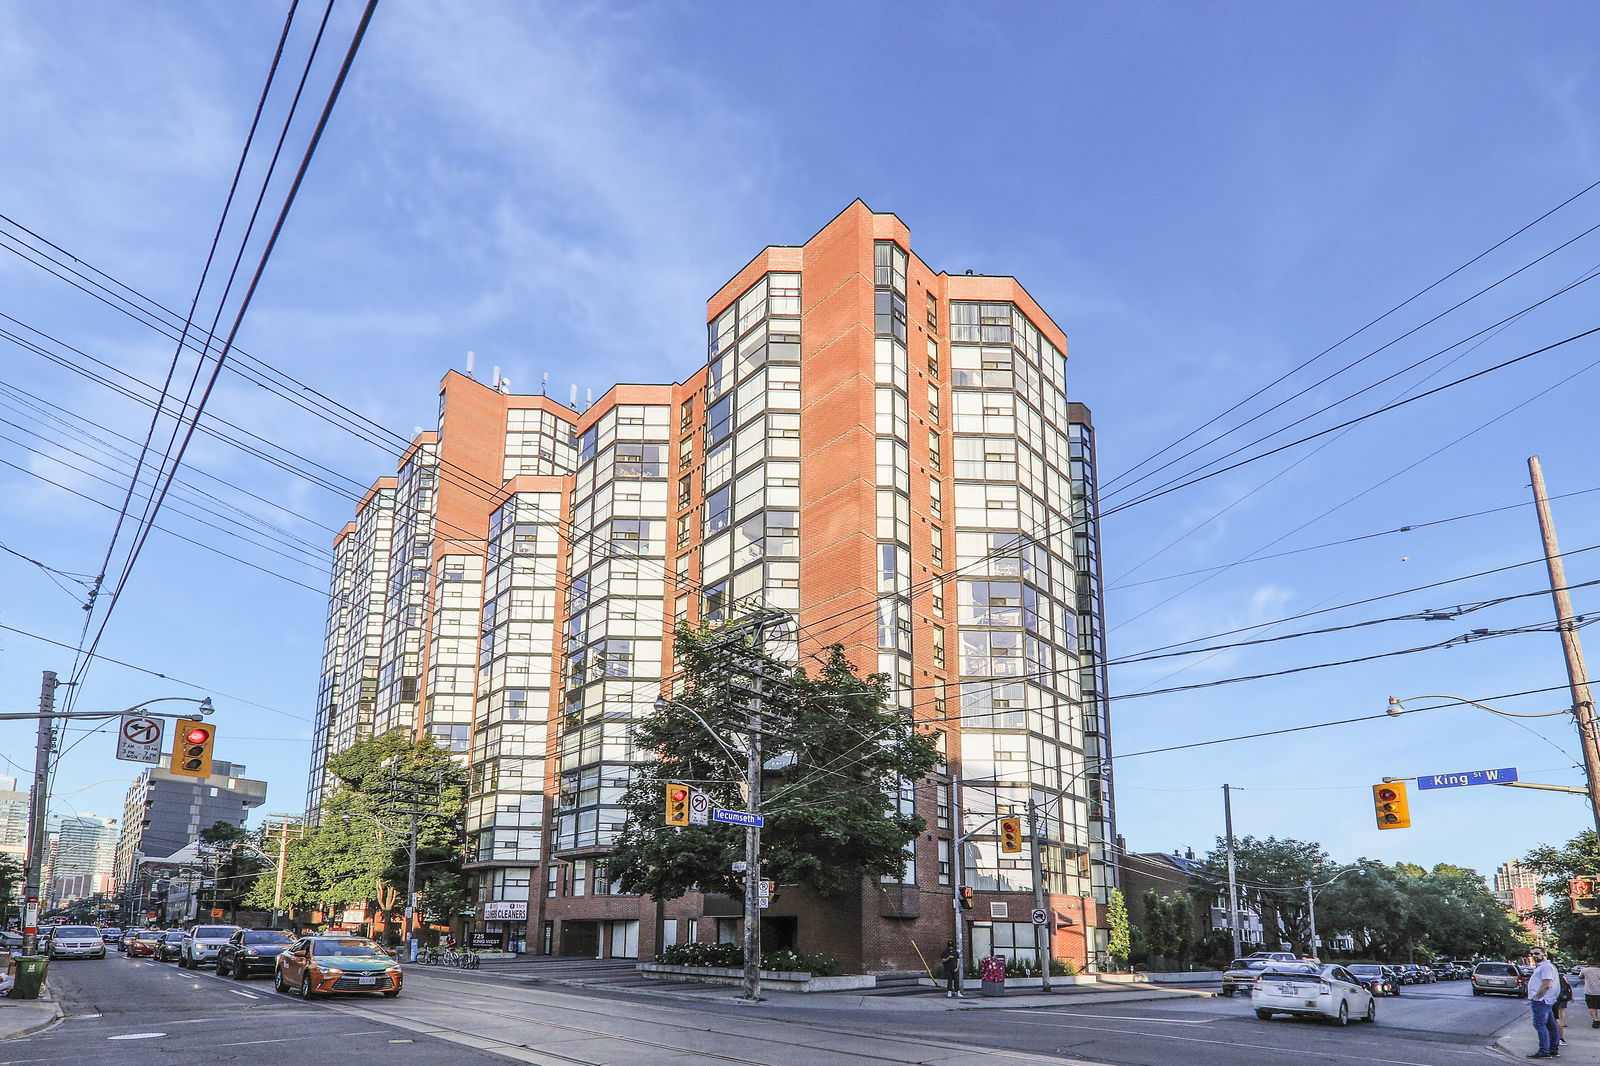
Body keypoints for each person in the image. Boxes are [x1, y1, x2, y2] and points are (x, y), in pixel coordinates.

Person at [1528, 950, 1561, 1059]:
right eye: (1532, 954)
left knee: (1539, 1024)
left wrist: (1537, 996)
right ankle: (1553, 1049)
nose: (1534, 955)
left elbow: (1547, 984)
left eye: (1537, 953)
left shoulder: (1546, 966)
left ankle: (1544, 1051)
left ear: (1544, 954)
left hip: (1542, 1000)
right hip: (1546, 1001)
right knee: (1551, 1025)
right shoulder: (1544, 966)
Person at [1579, 958, 1600, 1028]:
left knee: (1591, 1006)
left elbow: (1580, 977)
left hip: (1589, 991)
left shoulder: (1585, 970)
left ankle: (1595, 1019)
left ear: (1588, 963)